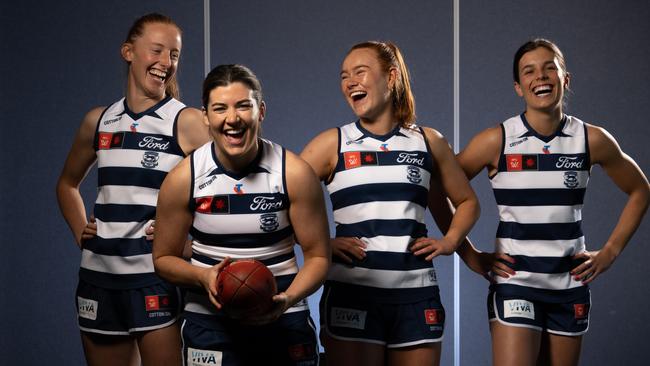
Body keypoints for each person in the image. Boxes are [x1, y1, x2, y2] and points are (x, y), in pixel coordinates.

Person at [456, 38, 650, 366]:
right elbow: (440, 189)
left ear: (565, 79)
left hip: (569, 284)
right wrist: (467, 253)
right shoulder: (496, 140)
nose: (540, 77)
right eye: (529, 72)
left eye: (550, 68)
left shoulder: (592, 139)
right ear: (519, 87)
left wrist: (610, 251)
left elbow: (641, 190)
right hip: (515, 283)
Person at [300, 41, 480, 366]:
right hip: (353, 293)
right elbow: (282, 200)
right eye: (344, 76)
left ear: (391, 76)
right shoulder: (332, 143)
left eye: (360, 72)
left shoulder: (428, 141)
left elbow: (467, 201)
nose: (350, 82)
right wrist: (320, 244)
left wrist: (451, 241)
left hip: (416, 294)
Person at [56, 13, 210, 366]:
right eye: (156, 50)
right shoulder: (99, 120)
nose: (166, 62)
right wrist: (81, 230)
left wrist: (189, 244)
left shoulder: (184, 121)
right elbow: (66, 184)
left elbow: (234, 187)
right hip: (98, 278)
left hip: (153, 278)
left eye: (174, 54)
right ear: (128, 51)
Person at [152, 64, 330, 365]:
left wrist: (287, 300)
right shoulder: (184, 178)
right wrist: (202, 275)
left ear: (260, 111)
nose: (232, 119)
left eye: (243, 106)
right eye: (220, 108)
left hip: (284, 320)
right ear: (206, 116)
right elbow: (163, 259)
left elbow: (319, 256)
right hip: (210, 323)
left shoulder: (294, 173)